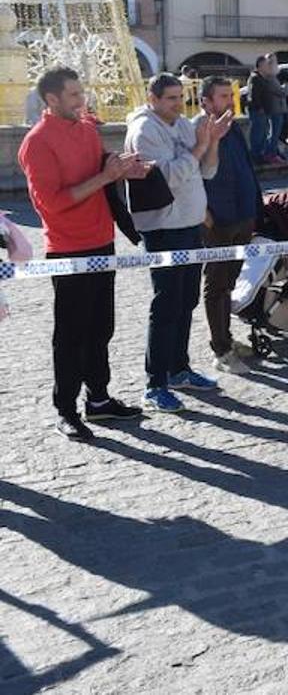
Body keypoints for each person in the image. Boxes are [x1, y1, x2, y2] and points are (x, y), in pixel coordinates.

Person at [19, 67, 151, 441]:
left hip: (101, 243)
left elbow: (100, 176)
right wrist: (106, 177)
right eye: (74, 95)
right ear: (52, 99)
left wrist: (124, 171)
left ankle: (99, 399)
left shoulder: (88, 128)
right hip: (67, 250)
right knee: (70, 336)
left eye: (82, 92)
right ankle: (66, 410)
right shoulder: (36, 142)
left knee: (101, 328)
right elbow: (52, 204)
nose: (83, 100)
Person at [126, 72, 231, 412]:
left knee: (186, 300)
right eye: (170, 98)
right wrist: (200, 147)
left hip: (189, 225)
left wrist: (213, 141)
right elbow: (169, 177)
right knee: (166, 304)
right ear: (152, 99)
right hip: (163, 228)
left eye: (179, 97)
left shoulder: (184, 125)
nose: (177, 104)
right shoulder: (144, 130)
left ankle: (178, 369)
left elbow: (206, 171)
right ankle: (154, 384)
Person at [197, 76, 263, 375]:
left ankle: (226, 338)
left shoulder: (233, 126)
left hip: (242, 215)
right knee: (216, 284)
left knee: (229, 283)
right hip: (218, 219)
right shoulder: (199, 128)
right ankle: (221, 350)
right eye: (223, 96)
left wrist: (255, 208)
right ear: (206, 101)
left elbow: (246, 168)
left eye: (230, 95)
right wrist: (204, 213)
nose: (230, 101)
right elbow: (192, 173)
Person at [246, 53, 288, 165]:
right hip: (259, 111)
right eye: (266, 64)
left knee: (262, 135)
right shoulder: (255, 78)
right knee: (257, 135)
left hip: (264, 111)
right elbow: (254, 96)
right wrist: (260, 108)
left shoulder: (262, 78)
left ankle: (260, 156)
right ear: (260, 66)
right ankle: (256, 157)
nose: (268, 67)